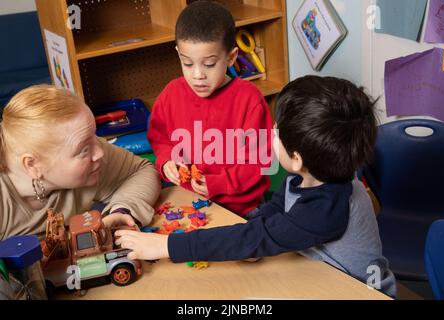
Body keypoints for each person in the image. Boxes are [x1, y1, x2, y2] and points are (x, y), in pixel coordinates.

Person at [117, 76, 397, 297]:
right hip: (320, 273)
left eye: (277, 131)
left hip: (358, 290)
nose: (271, 131)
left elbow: (259, 236)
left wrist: (166, 245)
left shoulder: (325, 208)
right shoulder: (318, 171)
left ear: (297, 159)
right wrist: (250, 232)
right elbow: (278, 208)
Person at [147, 1, 273, 216]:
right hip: (189, 202)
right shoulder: (171, 94)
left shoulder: (249, 99)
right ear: (178, 54)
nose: (198, 75)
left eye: (209, 64)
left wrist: (221, 183)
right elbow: (159, 137)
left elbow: (263, 161)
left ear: (231, 58)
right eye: (188, 63)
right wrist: (167, 160)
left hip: (241, 208)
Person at [0, 85, 161, 240]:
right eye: (83, 150)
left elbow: (140, 170)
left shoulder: (89, 151)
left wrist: (123, 210)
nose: (100, 152)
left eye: (94, 135)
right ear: (32, 165)